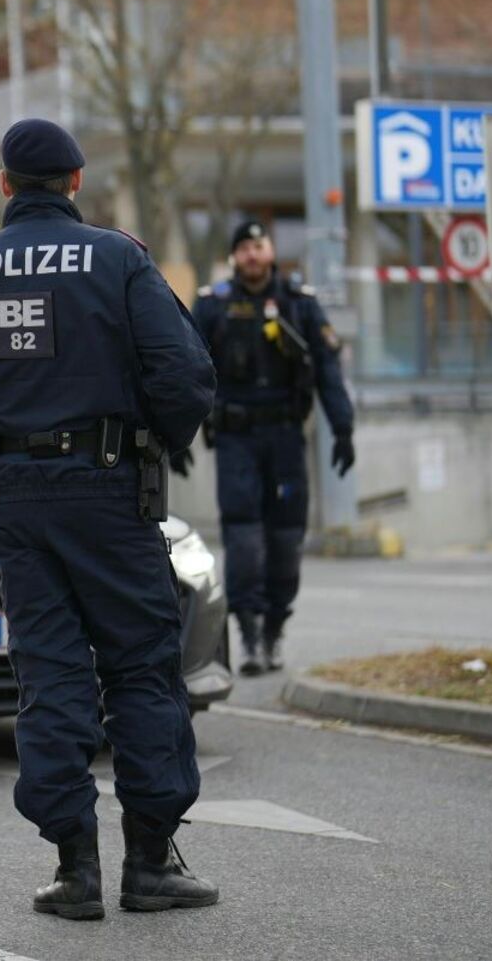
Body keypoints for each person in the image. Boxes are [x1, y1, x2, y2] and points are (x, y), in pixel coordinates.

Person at [0, 118, 218, 920]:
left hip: (16, 498)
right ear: (78, 181)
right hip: (112, 488)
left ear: (5, 186)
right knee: (140, 666)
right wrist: (156, 441)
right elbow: (186, 371)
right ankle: (151, 864)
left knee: (50, 671)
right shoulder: (119, 258)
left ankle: (76, 870)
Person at [188, 221, 353, 676]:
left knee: (285, 539)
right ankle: (250, 635)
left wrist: (343, 428)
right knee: (243, 538)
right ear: (235, 257)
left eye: (258, 246)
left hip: (284, 439)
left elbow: (327, 370)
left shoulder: (300, 305)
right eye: (243, 248)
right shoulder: (213, 306)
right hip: (236, 439)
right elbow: (183, 368)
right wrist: (173, 432)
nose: (252, 255)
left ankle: (276, 626)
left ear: (270, 250)